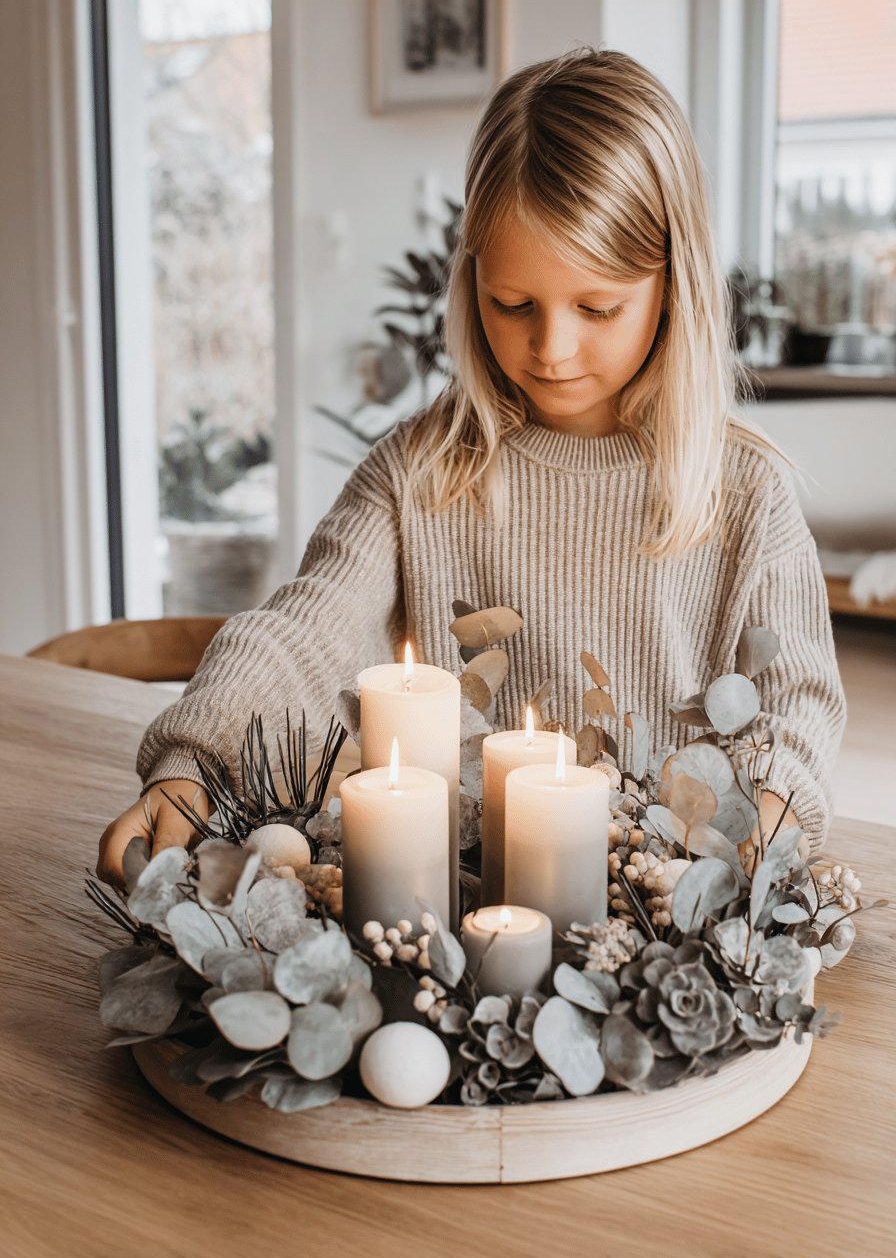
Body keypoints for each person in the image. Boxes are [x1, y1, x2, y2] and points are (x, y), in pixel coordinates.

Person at [97, 48, 845, 890]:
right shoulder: (418, 472)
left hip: (663, 912)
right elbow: (303, 629)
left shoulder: (745, 493)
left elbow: (797, 703)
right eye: (512, 304)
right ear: (470, 278)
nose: (551, 348)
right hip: (445, 910)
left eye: (597, 308)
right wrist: (193, 758)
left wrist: (774, 807)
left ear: (675, 287)